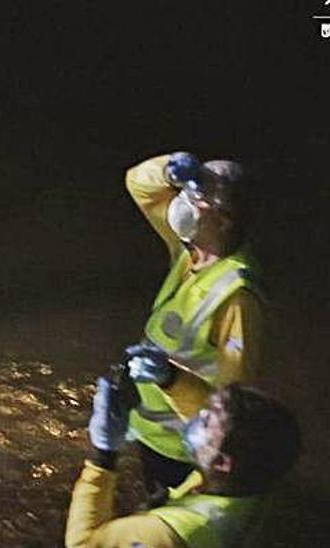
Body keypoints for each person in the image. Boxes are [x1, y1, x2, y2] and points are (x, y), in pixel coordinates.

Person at [124, 152, 263, 496]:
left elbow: (234, 407)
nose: (183, 203)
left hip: (185, 447)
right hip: (151, 432)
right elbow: (138, 184)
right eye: (186, 192)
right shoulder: (190, 252)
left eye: (196, 199)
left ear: (224, 220)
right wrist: (172, 170)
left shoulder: (238, 297)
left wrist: (169, 379)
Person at [67, 350, 300, 547]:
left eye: (207, 421)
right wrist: (171, 379)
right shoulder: (254, 475)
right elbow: (229, 427)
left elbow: (83, 543)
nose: (198, 416)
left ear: (222, 462)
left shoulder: (165, 534)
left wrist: (103, 456)